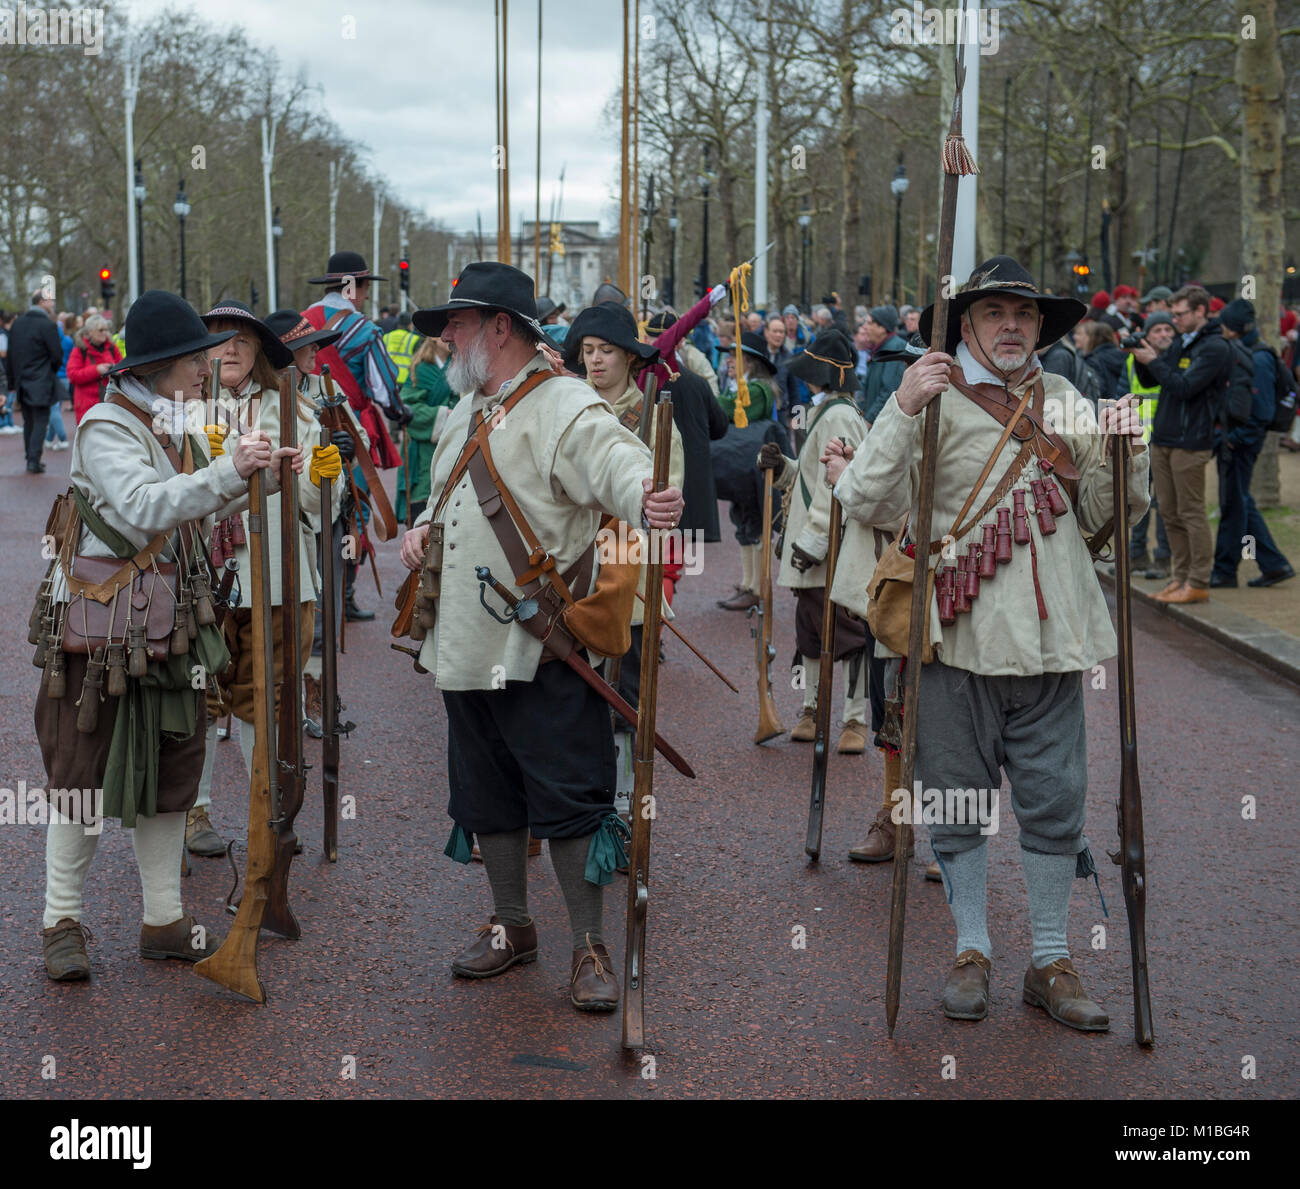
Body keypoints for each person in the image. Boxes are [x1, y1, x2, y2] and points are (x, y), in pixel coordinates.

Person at [824, 255, 1148, 1032]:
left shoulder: (1066, 400)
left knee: (1054, 803)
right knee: (960, 802)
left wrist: (1126, 455)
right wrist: (901, 406)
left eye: (1025, 314)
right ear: (965, 324)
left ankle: (1047, 957)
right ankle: (972, 949)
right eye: (995, 312)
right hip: (956, 641)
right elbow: (862, 497)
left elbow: (1108, 520)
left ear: (1040, 327)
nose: (1011, 325)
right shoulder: (926, 396)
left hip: (1053, 642)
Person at [400, 262, 684, 1012]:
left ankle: (589, 943)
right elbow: (444, 497)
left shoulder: (565, 402)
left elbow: (616, 461)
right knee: (486, 796)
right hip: (463, 644)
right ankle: (514, 925)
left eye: (455, 324)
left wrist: (648, 493)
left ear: (498, 328)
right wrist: (421, 530)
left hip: (542, 642)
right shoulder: (461, 412)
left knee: (569, 799)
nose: (444, 337)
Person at [36, 289, 301, 980]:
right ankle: (61, 920)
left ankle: (164, 919)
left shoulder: (169, 421)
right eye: (191, 362)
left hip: (167, 621)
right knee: (78, 776)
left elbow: (199, 508)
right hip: (98, 632)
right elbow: (145, 508)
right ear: (155, 365)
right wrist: (230, 470)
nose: (202, 373)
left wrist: (265, 481)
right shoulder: (104, 426)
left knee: (171, 771)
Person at [185, 302, 339, 858]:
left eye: (242, 342)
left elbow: (324, 508)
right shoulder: (182, 408)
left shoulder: (292, 408)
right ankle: (192, 813)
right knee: (195, 701)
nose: (229, 351)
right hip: (201, 582)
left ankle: (266, 806)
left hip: (277, 579)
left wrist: (324, 473)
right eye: (218, 340)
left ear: (260, 353)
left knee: (268, 699)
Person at [757, 328, 870, 754]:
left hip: (831, 547)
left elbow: (836, 485)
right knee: (811, 634)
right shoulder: (832, 412)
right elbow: (808, 479)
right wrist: (783, 467)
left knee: (848, 635)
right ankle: (812, 709)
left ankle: (854, 719)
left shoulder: (838, 415)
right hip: (822, 546)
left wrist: (814, 539)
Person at [263, 308, 364, 730]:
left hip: (329, 512)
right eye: (307, 345)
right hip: (284, 521)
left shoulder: (326, 385)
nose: (316, 351)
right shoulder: (261, 399)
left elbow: (357, 437)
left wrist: (346, 450)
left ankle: (318, 697)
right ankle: (279, 701)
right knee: (288, 617)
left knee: (326, 609)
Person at [302, 250, 410, 621]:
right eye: (363, 286)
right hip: (351, 428)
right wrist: (400, 413)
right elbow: (384, 388)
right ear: (355, 287)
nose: (364, 294)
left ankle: (314, 600)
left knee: (312, 512)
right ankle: (342, 596)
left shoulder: (304, 322)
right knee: (353, 515)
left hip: (304, 428)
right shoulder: (365, 329)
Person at [1129, 284, 1229, 605]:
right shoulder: (1181, 342)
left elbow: (1184, 387)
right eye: (1173, 314)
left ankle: (1198, 580)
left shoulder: (1214, 348)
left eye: (1180, 314)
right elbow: (1153, 381)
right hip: (1165, 437)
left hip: (1191, 441)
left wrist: (1153, 360)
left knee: (1191, 512)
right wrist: (1143, 358)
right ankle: (1179, 577)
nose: (1175, 320)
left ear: (1200, 311)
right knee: (1168, 512)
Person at [1211, 299, 1294, 588]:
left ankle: (1227, 569)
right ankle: (1271, 564)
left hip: (1241, 443)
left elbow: (1259, 411)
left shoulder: (1256, 358)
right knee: (1239, 503)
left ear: (1233, 328)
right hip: (1239, 440)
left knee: (1236, 505)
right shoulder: (1251, 352)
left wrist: (1233, 440)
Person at [716, 332, 782, 610]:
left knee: (756, 522)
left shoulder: (757, 391)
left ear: (751, 362)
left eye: (735, 356)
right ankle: (747, 582)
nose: (729, 360)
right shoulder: (742, 385)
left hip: (754, 466)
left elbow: (727, 410)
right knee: (742, 519)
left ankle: (757, 587)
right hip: (742, 464)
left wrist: (708, 393)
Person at [1115, 311, 1175, 577]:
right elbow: (1121, 394)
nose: (1164, 335)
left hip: (1166, 441)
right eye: (1158, 330)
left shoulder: (1178, 360)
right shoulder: (1131, 360)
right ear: (1147, 335)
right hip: (1139, 442)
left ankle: (1164, 559)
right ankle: (1137, 555)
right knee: (1138, 498)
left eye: (1168, 329)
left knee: (1164, 503)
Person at [395, 333, 457, 526]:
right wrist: (449, 416)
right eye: (442, 333)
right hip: (422, 451)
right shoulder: (420, 369)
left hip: (455, 447)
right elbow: (407, 408)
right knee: (423, 505)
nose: (449, 337)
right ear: (432, 338)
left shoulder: (463, 366)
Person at [5, 289, 63, 473]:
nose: (53, 304)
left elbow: (10, 356)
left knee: (28, 420)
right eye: (50, 300)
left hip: (21, 378)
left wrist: (12, 381)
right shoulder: (47, 325)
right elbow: (56, 355)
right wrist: (49, 371)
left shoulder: (17, 324)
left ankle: (30, 456)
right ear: (42, 302)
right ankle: (33, 460)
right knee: (40, 419)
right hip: (41, 378)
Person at [66, 315, 121, 425]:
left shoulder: (112, 348)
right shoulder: (80, 350)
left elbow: (124, 368)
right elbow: (72, 375)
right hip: (87, 407)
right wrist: (96, 370)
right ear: (90, 332)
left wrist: (116, 371)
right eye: (101, 330)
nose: (104, 333)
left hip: (111, 404)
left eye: (106, 330)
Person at [858, 306, 908, 424]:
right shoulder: (879, 348)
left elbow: (889, 391)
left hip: (883, 425)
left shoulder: (895, 350)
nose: (865, 327)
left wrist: (869, 420)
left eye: (869, 323)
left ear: (882, 328)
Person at [46, 313, 76, 451]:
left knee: (53, 409)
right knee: (56, 408)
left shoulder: (48, 340)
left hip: (52, 376)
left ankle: (63, 438)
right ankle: (48, 439)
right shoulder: (69, 341)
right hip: (65, 377)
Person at [1073, 319, 1125, 398]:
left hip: (1104, 406)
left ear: (1091, 337)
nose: (1075, 337)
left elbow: (1096, 390)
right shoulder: (1122, 355)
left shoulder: (1093, 361)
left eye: (1080, 334)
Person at [384, 311, 421, 386]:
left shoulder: (386, 337)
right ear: (409, 325)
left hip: (388, 377)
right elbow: (418, 361)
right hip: (406, 379)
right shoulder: (414, 339)